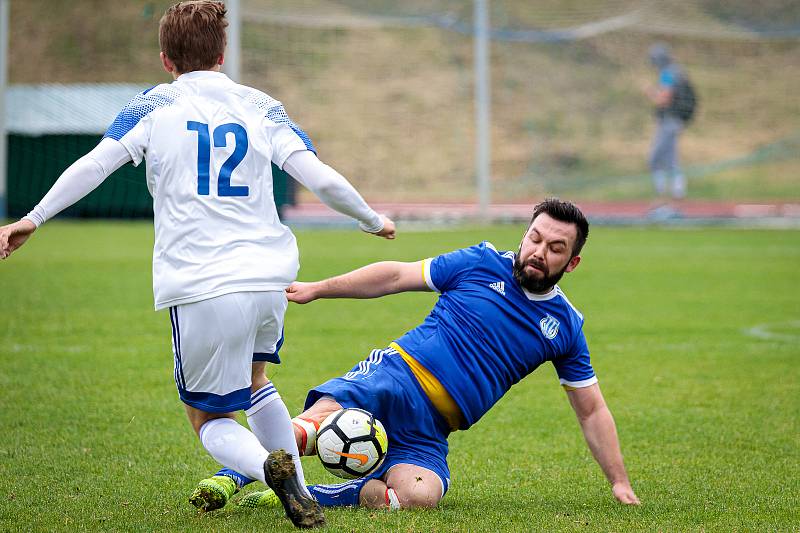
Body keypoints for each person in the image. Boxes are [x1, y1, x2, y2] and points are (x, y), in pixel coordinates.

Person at [0, 1, 396, 528]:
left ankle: (269, 469)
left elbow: (96, 163)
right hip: (269, 280)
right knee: (257, 381)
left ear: (166, 59)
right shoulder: (262, 105)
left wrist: (34, 216)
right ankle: (302, 490)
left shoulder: (155, 105)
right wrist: (370, 219)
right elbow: (319, 177)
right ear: (222, 52)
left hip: (202, 283)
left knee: (208, 416)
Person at [191, 198, 640, 511]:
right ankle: (235, 475)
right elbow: (394, 276)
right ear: (525, 235)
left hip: (431, 429)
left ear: (572, 263)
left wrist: (619, 482)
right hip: (393, 378)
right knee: (309, 433)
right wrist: (318, 290)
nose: (539, 252)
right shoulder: (480, 263)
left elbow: (591, 410)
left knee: (418, 498)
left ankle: (315, 493)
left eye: (555, 248)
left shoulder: (565, 327)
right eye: (535, 238)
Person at [645, 43, 691, 202]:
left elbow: (664, 99)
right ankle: (678, 192)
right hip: (676, 121)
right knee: (671, 158)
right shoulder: (677, 71)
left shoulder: (667, 73)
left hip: (670, 121)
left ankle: (661, 194)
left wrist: (650, 92)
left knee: (655, 158)